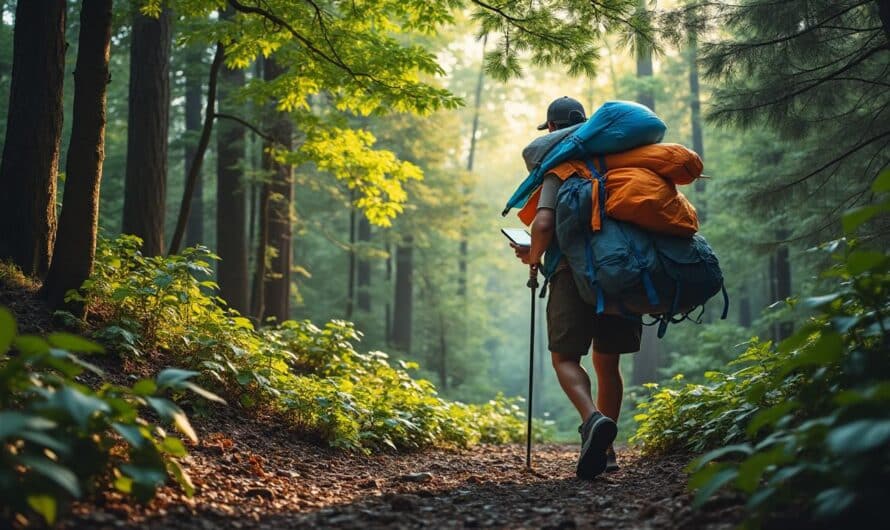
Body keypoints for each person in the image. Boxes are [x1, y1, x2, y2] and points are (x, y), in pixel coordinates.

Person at [512, 96, 642, 479]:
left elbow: (545, 224)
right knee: (608, 362)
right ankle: (608, 451)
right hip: (621, 273)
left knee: (565, 358)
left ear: (552, 130)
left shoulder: (561, 167)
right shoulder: (624, 164)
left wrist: (533, 255)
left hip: (572, 274)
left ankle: (592, 421)